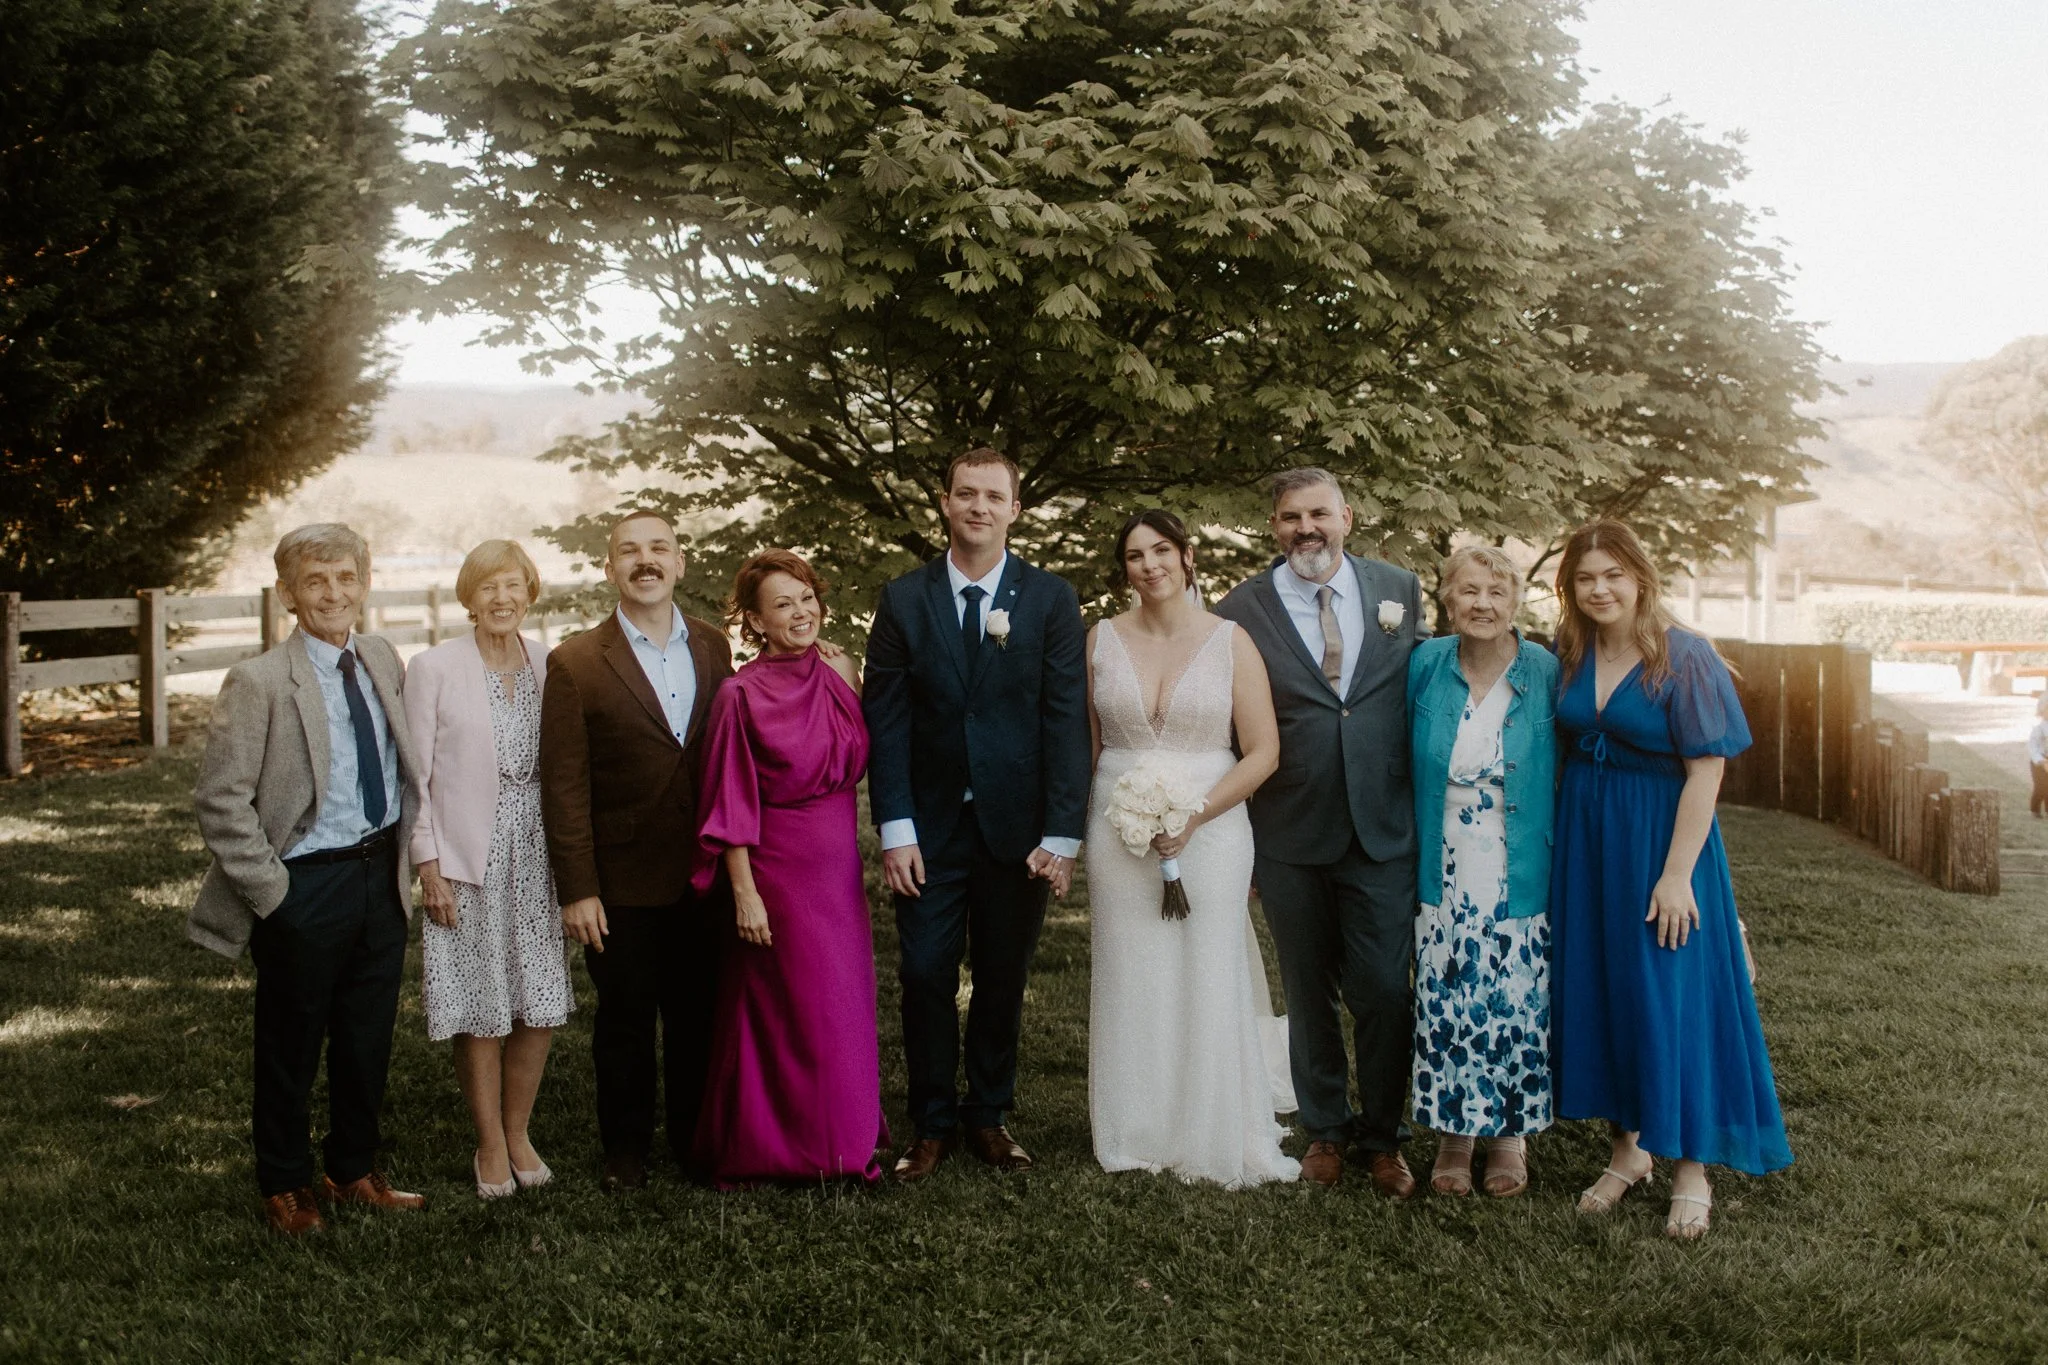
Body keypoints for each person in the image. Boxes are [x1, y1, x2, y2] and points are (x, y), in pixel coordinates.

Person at [1550, 519, 1792, 1240]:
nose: (1599, 589)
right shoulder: (1570, 650)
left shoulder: (1682, 656)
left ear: (1640, 577)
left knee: (1671, 993)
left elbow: (1706, 771)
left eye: (1612, 575)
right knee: (1607, 989)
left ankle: (1690, 1164)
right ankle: (1628, 1152)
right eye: (1585, 578)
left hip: (1662, 842)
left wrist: (1677, 875)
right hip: (1589, 843)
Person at [863, 447, 1092, 1180]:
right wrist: (895, 829)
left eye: (994, 497)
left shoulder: (1050, 599)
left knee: (1001, 974)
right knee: (926, 971)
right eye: (966, 494)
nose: (979, 508)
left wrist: (1060, 834)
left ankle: (989, 1113)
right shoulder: (903, 598)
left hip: (1016, 829)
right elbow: (887, 721)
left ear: (1015, 509)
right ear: (945, 501)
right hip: (928, 828)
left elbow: (1064, 719)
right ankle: (930, 1120)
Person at [189, 523, 426, 1234]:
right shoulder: (259, 681)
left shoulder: (383, 657)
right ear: (289, 593)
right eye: (315, 581)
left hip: (379, 876)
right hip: (304, 884)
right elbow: (221, 799)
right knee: (291, 1041)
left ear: (364, 583)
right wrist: (273, 892)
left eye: (345, 578)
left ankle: (353, 1167)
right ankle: (285, 1181)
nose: (332, 593)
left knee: (366, 1036)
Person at [1213, 467, 1428, 1196]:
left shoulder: (1400, 588)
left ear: (1347, 515)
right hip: (1288, 827)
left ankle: (1385, 1136)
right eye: (1288, 517)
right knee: (1307, 991)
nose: (1305, 528)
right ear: (1272, 526)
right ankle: (1326, 1130)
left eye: (1318, 513)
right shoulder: (1239, 609)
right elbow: (1228, 726)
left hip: (1382, 828)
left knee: (1382, 990)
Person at [1085, 510, 1299, 1187]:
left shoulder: (1231, 641)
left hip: (1213, 825)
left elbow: (1264, 751)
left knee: (1207, 964)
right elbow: (1091, 748)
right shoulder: (1100, 639)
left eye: (1161, 551)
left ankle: (1209, 1120)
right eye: (1135, 555)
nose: (1149, 565)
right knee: (1131, 968)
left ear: (1188, 555)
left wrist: (1196, 815)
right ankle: (1136, 1126)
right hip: (1117, 825)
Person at [539, 509, 734, 1191]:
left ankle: (692, 1142)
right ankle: (625, 1149)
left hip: (705, 873)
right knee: (624, 1020)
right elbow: (563, 787)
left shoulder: (713, 645)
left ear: (681, 562)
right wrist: (578, 886)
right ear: (609, 567)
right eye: (629, 551)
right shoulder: (575, 661)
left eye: (659, 548)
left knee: (697, 1016)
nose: (644, 561)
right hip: (618, 881)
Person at [689, 551, 889, 1186]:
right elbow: (728, 799)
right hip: (777, 871)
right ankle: (773, 1147)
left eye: (806, 598)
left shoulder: (841, 668)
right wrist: (744, 894)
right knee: (788, 1010)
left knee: (843, 1006)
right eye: (783, 604)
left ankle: (847, 1140)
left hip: (838, 870)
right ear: (755, 620)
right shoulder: (738, 694)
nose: (800, 612)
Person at [404, 539, 573, 1200]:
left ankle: (520, 1128)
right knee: (481, 1002)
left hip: (538, 849)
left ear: (530, 593)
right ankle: (490, 1143)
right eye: (488, 587)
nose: (502, 599)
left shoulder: (547, 662)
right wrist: (429, 865)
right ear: (468, 596)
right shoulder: (435, 666)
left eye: (514, 586)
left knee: (539, 999)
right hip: (467, 852)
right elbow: (415, 777)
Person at [1406, 546, 1560, 1198]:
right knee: (1447, 997)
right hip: (1443, 864)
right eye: (1468, 590)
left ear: (1515, 603)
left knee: (1515, 997)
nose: (1482, 604)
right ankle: (1452, 1136)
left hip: (1518, 862)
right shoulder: (1426, 664)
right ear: (1446, 597)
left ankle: (1508, 1137)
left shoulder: (1544, 669)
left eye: (1496, 593)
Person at [2028, 694, 2048, 818]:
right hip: (2040, 761)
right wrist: (2040, 760)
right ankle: (2034, 810)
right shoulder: (2039, 729)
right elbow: (2033, 746)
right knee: (2041, 786)